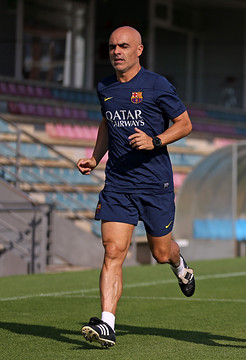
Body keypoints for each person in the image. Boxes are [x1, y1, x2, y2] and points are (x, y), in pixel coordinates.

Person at [77, 26, 195, 348]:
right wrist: (95, 157)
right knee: (113, 251)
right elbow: (107, 121)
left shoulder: (157, 85)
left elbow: (185, 124)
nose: (117, 51)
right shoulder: (105, 87)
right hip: (117, 184)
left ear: (139, 50)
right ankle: (107, 324)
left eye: (124, 46)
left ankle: (180, 265)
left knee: (160, 252)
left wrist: (154, 140)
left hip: (155, 186)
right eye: (112, 46)